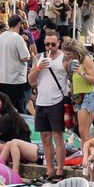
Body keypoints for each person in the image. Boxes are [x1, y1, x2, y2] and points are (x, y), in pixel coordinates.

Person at [29, 32, 72, 179]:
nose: (50, 47)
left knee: (58, 135)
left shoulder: (64, 58)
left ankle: (60, 170)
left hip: (57, 101)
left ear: (59, 43)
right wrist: (38, 67)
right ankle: (49, 170)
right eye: (47, 44)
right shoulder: (39, 57)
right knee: (44, 137)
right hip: (41, 101)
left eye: (53, 44)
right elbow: (30, 80)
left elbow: (71, 78)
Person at [0, 14, 31, 114]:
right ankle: (18, 129)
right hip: (15, 80)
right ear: (19, 24)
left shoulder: (0, 38)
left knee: (2, 108)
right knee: (17, 108)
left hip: (0, 78)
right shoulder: (18, 38)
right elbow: (25, 57)